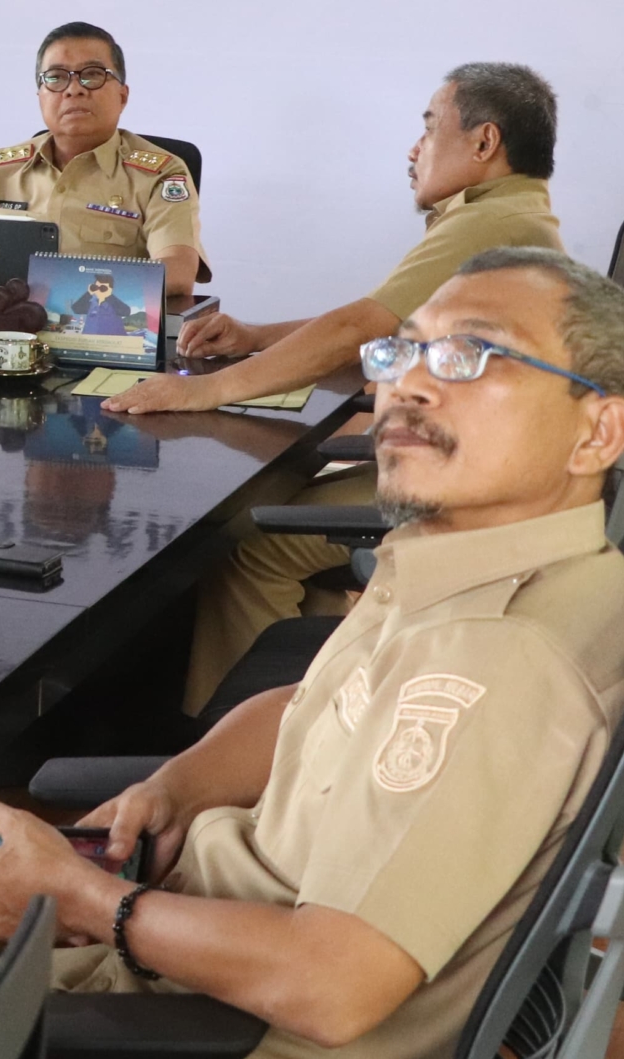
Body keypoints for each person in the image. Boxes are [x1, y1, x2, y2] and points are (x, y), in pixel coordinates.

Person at [0, 249, 624, 1059]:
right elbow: (313, 704)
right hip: (199, 977)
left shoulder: (495, 659)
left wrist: (86, 898)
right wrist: (174, 789)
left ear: (596, 434)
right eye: (401, 353)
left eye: (471, 358)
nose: (409, 386)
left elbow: (334, 986)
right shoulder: (487, 560)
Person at [102, 63, 567, 711]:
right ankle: (311, 700)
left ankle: (225, 745)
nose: (415, 149)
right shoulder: (513, 212)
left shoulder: (488, 224)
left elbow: (362, 323)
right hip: (479, 463)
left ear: (484, 144)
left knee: (252, 543)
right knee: (277, 504)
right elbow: (381, 322)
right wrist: (258, 336)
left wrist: (202, 390)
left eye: (429, 127)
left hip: (467, 482)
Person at [0, 23, 206, 293]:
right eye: (56, 77)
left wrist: (67, 293)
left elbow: (178, 271)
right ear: (40, 96)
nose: (74, 89)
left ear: (122, 96)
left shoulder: (160, 174)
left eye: (93, 75)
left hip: (104, 330)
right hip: (2, 331)